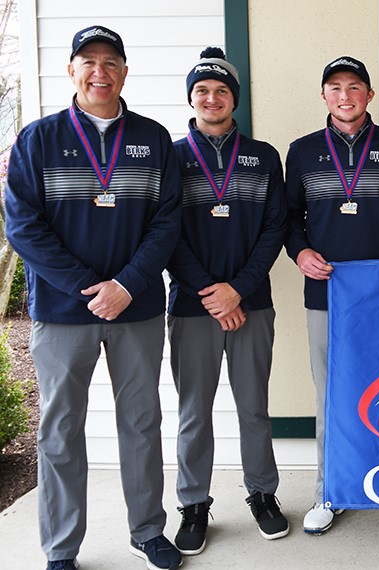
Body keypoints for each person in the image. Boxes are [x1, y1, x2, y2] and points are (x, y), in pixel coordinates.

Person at [3, 26, 182, 570]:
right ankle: (60, 548)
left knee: (141, 422)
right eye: (88, 61)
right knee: (59, 430)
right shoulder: (37, 138)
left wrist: (126, 284)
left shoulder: (152, 139)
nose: (99, 71)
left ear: (125, 71)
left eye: (110, 61)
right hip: (62, 312)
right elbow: (23, 227)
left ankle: (148, 530)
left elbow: (168, 221)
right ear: (71, 70)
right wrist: (88, 286)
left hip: (138, 308)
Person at [284, 55, 379, 534]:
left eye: (354, 87)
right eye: (335, 88)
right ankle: (330, 491)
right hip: (326, 290)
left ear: (370, 95)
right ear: (324, 96)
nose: (345, 96)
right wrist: (300, 252)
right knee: (332, 394)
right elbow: (287, 220)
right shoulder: (303, 151)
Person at [167, 47, 289, 555]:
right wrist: (214, 294)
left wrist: (238, 288)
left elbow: (275, 228)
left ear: (233, 100)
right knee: (194, 411)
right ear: (192, 99)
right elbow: (165, 233)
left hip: (252, 300)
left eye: (220, 91)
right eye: (202, 91)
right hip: (194, 306)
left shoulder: (262, 157)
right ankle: (194, 504)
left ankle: (262, 494)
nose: (212, 99)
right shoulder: (171, 156)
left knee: (254, 408)